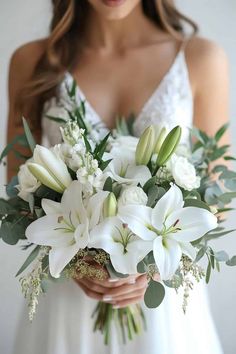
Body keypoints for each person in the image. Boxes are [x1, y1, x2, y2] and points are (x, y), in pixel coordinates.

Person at [7, 1, 229, 353]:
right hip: (68, 296)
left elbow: (218, 196)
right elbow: (18, 190)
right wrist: (77, 262)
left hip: (163, 308)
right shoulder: (32, 62)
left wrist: (154, 267)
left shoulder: (201, 59)